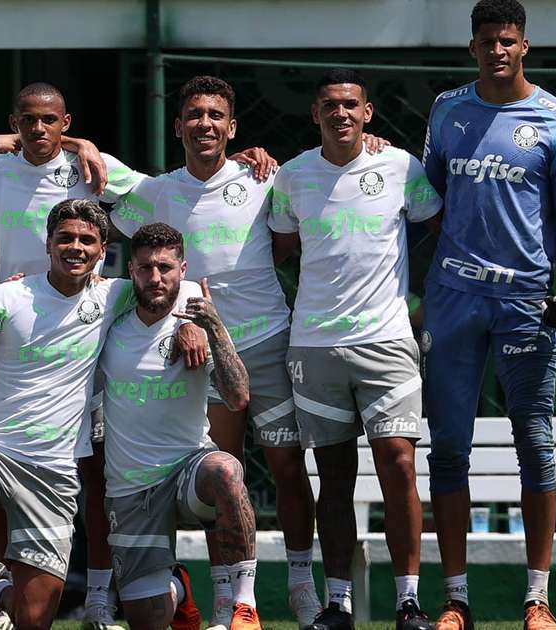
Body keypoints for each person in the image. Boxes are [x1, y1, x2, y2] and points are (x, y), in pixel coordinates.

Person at [0, 200, 192, 630]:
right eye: (65, 238)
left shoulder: (115, 294)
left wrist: (190, 323)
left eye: (86, 240)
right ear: (48, 244)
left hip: (53, 473)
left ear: (102, 250)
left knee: (33, 620)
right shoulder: (10, 295)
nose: (75, 247)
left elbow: (180, 284)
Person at [110, 75, 322, 626]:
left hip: (267, 342)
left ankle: (303, 588)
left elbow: (280, 248)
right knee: (218, 480)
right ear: (178, 125)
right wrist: (185, 313)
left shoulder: (262, 179)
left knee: (287, 467)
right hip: (199, 353)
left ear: (232, 127)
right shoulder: (154, 191)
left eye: (215, 115)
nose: (204, 124)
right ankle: (229, 601)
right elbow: (135, 252)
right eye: (194, 114)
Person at [420, 1, 556, 628]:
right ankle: (455, 600)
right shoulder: (447, 109)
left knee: (535, 444)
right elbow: (425, 196)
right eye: (488, 40)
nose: (498, 50)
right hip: (455, 296)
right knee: (448, 450)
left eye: (509, 40)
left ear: (525, 47)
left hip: (526, 304)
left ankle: (537, 599)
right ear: (472, 47)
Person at [270, 69, 440, 630]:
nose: (340, 114)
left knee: (399, 465)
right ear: (315, 114)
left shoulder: (400, 167)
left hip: (389, 342)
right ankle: (338, 604)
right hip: (315, 346)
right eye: (329, 106)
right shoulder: (292, 177)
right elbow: (280, 249)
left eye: (350, 106)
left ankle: (409, 602)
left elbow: (438, 227)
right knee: (334, 475)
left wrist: (427, 306)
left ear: (368, 113)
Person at [99, 222, 259, 630]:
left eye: (166, 268)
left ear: (182, 269)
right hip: (131, 489)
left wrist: (213, 327)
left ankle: (242, 604)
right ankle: (179, 588)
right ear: (131, 270)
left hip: (189, 471)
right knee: (147, 622)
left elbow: (239, 397)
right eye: (146, 267)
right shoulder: (109, 323)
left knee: (225, 469)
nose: (156, 277)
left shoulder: (198, 324)